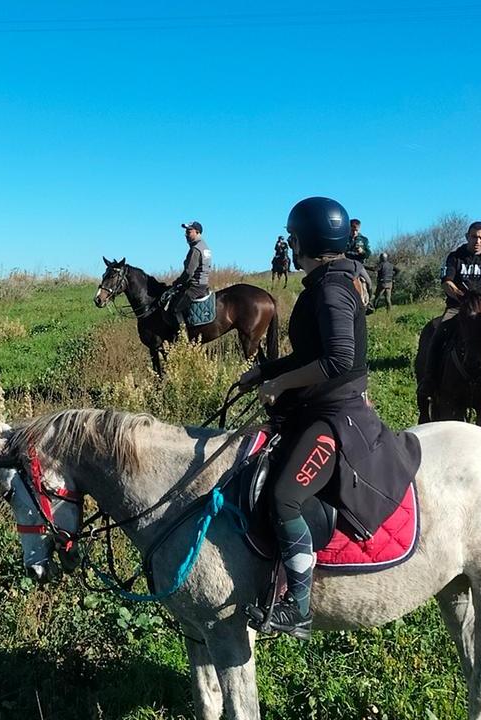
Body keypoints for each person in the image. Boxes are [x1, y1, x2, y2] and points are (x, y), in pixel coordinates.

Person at [236, 196, 372, 640]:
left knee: (284, 497)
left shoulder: (331, 288)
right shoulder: (329, 280)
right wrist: (266, 369)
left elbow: (337, 359)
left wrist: (278, 386)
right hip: (321, 402)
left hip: (335, 414)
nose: (290, 245)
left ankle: (299, 606)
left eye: (293, 237)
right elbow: (312, 353)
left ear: (305, 239)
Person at [418, 221, 481, 406]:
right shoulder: (455, 257)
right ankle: (429, 379)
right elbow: (446, 282)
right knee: (437, 335)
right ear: (467, 236)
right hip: (458, 308)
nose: (478, 241)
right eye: (474, 237)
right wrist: (461, 297)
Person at [158, 221, 212, 325]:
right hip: (202, 283)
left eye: (189, 231)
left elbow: (188, 272)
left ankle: (183, 337)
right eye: (186, 232)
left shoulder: (196, 249)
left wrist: (177, 282)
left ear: (197, 232)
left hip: (195, 286)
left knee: (175, 310)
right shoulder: (204, 246)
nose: (186, 234)